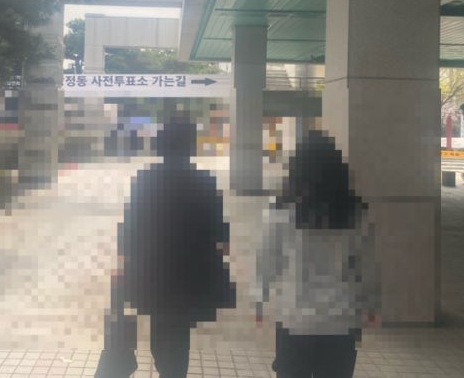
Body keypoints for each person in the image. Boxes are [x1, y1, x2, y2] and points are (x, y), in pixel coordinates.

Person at [96, 119, 235, 378]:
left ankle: (166, 366)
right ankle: (173, 371)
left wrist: (122, 262)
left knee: (160, 323)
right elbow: (220, 233)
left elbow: (130, 225)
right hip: (189, 273)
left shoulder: (145, 180)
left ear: (160, 145)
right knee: (179, 330)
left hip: (152, 270)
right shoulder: (204, 181)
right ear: (191, 146)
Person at [256, 130, 380, 378]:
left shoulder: (281, 210)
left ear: (296, 169)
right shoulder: (356, 213)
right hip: (341, 320)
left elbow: (268, 260)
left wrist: (259, 298)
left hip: (295, 319)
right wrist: (371, 305)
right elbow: (366, 265)